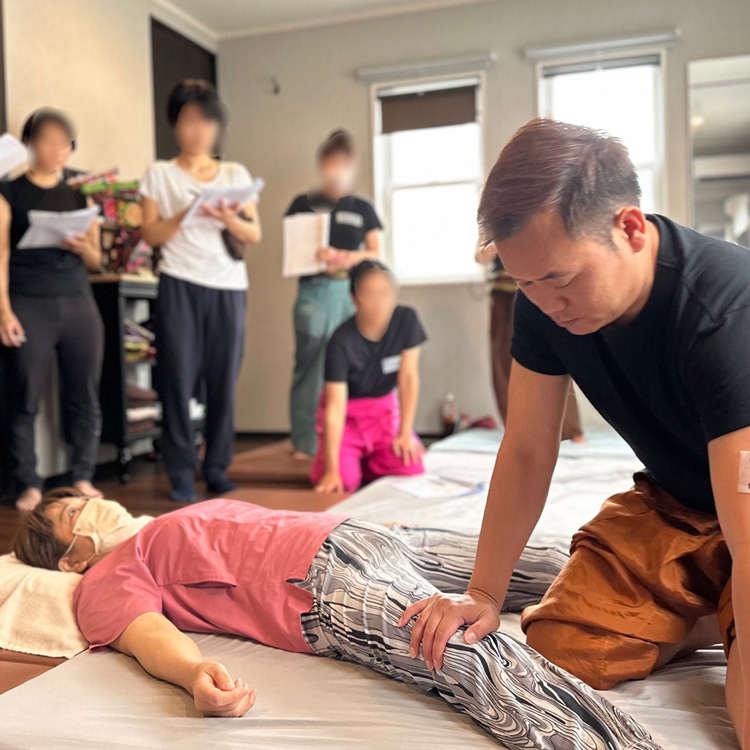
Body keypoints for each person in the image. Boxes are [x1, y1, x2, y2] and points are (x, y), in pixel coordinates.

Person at [403, 119, 750, 749]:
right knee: (561, 643)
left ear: (630, 228)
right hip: (677, 503)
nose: (545, 303)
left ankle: (717, 612)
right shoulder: (543, 305)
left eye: (560, 280)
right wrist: (484, 593)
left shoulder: (723, 311)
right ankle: (704, 612)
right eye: (524, 284)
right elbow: (528, 448)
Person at [13, 493, 662, 750]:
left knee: (559, 559)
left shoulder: (160, 523)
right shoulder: (104, 577)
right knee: (466, 652)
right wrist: (193, 673)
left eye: (81, 497)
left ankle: (691, 587)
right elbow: (145, 632)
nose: (92, 502)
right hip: (322, 586)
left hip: (362, 535)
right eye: (73, 514)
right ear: (70, 558)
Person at [140, 80, 261, 503]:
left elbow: (254, 234)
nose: (198, 130)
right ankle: (179, 473)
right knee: (177, 379)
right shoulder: (159, 174)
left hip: (228, 286)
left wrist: (227, 217)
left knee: (223, 380)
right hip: (179, 282)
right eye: (189, 120)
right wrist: (186, 213)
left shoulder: (235, 174)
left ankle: (217, 468)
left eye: (206, 121)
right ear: (175, 124)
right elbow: (150, 234)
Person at [0, 108, 103, 511]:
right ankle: (28, 482)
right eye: (48, 141)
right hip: (28, 300)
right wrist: (4, 312)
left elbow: (96, 260)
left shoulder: (80, 192)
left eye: (65, 144)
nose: (58, 150)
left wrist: (83, 247)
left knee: (85, 393)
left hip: (78, 300)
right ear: (29, 144)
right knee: (25, 394)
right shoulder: (9, 192)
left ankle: (82, 475)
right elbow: (0, 256)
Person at [286, 130, 383, 460]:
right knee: (311, 367)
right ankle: (305, 442)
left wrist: (345, 257)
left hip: (349, 292)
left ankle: (348, 440)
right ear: (321, 165)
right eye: (331, 162)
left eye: (343, 163)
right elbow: (292, 253)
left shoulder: (363, 208)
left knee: (350, 365)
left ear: (352, 166)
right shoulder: (302, 203)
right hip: (313, 292)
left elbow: (374, 251)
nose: (336, 169)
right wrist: (317, 257)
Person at [312, 261, 426, 493]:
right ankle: (342, 460)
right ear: (355, 298)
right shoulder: (340, 341)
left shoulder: (406, 320)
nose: (379, 302)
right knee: (343, 481)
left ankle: (366, 460)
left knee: (411, 465)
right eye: (370, 294)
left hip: (384, 415)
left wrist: (404, 433)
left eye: (385, 293)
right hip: (348, 418)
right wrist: (332, 470)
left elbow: (408, 379)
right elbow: (335, 407)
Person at [475, 244, 584, 441]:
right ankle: (516, 431)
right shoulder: (490, 230)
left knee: (553, 359)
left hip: (536, 286)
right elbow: (480, 257)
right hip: (503, 292)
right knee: (503, 361)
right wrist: (496, 242)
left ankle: (570, 431)